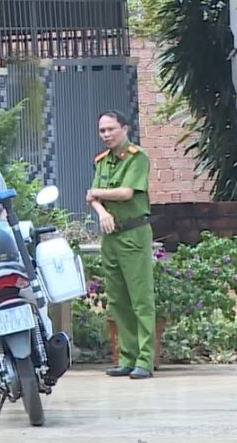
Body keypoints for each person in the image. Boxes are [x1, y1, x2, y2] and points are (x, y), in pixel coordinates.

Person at [86, 110, 155, 380]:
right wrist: (102, 211)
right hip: (111, 236)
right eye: (102, 130)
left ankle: (145, 360)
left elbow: (126, 193)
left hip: (134, 234)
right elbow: (91, 198)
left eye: (110, 129)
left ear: (124, 128)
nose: (106, 135)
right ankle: (127, 357)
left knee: (140, 298)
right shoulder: (102, 161)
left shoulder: (138, 158)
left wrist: (97, 195)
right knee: (117, 300)